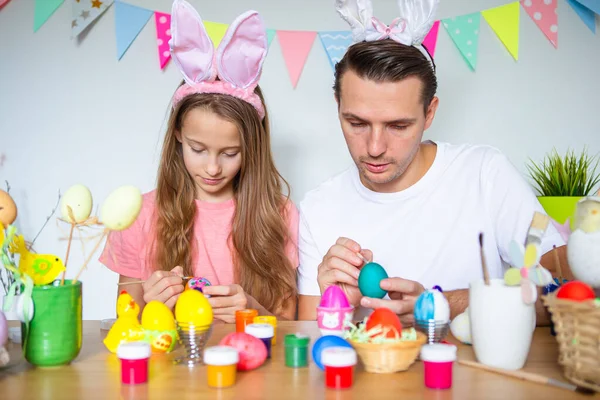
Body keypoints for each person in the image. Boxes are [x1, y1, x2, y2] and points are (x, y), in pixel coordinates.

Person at [297, 0, 569, 325]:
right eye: (356, 123)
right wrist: (336, 303)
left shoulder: (485, 174)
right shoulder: (317, 207)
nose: (374, 147)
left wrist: (439, 304)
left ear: (430, 113)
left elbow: (564, 290)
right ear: (337, 106)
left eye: (398, 126)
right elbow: (309, 345)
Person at [100, 0, 298, 323]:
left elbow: (291, 329)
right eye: (198, 148)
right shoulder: (139, 216)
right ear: (178, 133)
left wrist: (252, 311)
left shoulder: (280, 216)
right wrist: (152, 309)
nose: (212, 168)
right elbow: (126, 326)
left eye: (230, 153)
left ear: (253, 147)